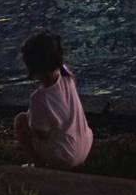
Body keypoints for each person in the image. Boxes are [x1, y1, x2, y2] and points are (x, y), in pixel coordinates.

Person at [14, 30, 93, 169]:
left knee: (21, 121)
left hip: (65, 156)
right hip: (85, 145)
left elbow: (41, 132)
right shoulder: (68, 77)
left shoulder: (40, 97)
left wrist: (29, 128)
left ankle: (38, 164)